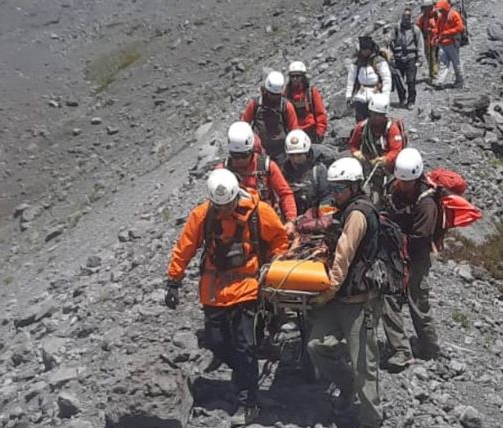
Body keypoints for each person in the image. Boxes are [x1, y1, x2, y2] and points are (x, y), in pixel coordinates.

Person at [164, 168, 289, 426]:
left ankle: (248, 402)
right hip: (214, 290)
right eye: (219, 206)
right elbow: (185, 246)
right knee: (216, 342)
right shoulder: (202, 216)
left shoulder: (258, 212)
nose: (224, 210)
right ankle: (243, 374)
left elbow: (279, 239)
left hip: (247, 286)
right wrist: (173, 280)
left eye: (228, 204)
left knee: (246, 346)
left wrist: (275, 268)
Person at [306, 157, 382, 428]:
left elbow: (344, 254)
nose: (334, 193)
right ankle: (347, 387)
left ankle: (371, 420)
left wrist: (329, 289)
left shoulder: (357, 215)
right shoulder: (345, 208)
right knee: (317, 345)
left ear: (354, 186)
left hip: (358, 299)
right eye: (333, 188)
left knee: (364, 363)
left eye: (339, 188)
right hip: (341, 296)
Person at [381, 149, 440, 369]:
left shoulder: (427, 204)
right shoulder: (393, 190)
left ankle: (430, 347)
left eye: (407, 182)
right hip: (395, 256)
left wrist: (393, 234)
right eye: (400, 181)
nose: (403, 186)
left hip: (416, 258)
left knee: (417, 302)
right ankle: (401, 350)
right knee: (390, 299)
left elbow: (421, 237)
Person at [220, 122, 298, 232]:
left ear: (252, 150)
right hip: (233, 226)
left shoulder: (267, 166)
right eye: (236, 156)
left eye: (244, 155)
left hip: (265, 222)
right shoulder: (222, 170)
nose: (240, 160)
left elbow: (285, 194)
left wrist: (291, 220)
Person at [349, 93, 405, 205]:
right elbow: (353, 145)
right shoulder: (362, 127)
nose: (377, 118)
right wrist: (356, 153)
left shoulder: (391, 128)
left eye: (380, 115)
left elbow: (396, 150)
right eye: (374, 114)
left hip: (389, 168)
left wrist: (385, 159)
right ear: (369, 113)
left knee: (394, 189)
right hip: (368, 165)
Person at [240, 71, 299, 165]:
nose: (274, 98)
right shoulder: (255, 104)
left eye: (276, 95)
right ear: (265, 91)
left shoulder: (286, 106)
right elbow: (243, 126)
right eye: (271, 94)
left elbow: (294, 131)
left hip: (280, 152)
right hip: (258, 151)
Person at [281, 129, 334, 217]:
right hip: (293, 216)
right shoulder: (285, 171)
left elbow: (327, 196)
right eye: (292, 155)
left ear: (307, 153)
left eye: (299, 154)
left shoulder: (318, 170)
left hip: (315, 217)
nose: (295, 159)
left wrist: (324, 215)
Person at [345, 36, 392, 121]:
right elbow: (351, 79)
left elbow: (387, 79)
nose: (364, 52)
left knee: (374, 122)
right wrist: (348, 95)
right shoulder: (357, 62)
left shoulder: (379, 61)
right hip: (361, 96)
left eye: (366, 49)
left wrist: (386, 96)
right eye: (363, 49)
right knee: (360, 121)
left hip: (376, 95)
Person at [285, 61, 329, 144]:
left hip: (311, 133)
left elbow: (320, 113)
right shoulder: (286, 93)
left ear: (303, 76)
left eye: (297, 76)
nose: (294, 79)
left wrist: (320, 132)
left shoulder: (311, 92)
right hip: (293, 133)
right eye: (292, 76)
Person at [389, 8, 424, 109]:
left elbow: (420, 44)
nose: (405, 19)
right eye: (404, 17)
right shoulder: (396, 29)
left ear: (410, 18)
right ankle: (402, 98)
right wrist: (391, 55)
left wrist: (420, 58)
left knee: (411, 80)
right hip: (398, 57)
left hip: (411, 57)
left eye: (408, 17)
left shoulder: (415, 29)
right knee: (398, 80)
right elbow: (390, 43)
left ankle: (411, 100)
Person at [431, 0, 465, 88]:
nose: (440, 11)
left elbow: (460, 27)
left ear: (445, 7)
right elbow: (438, 29)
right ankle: (440, 82)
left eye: (441, 9)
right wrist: (435, 36)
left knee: (456, 63)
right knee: (443, 63)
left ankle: (459, 81)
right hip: (443, 43)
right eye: (439, 9)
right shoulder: (441, 16)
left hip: (452, 43)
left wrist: (447, 32)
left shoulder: (454, 14)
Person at [415, 0, 439, 82]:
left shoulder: (437, 15)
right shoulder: (423, 17)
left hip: (436, 40)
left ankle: (435, 73)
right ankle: (432, 73)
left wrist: (432, 31)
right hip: (426, 40)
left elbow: (440, 26)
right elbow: (417, 26)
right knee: (429, 57)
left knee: (435, 57)